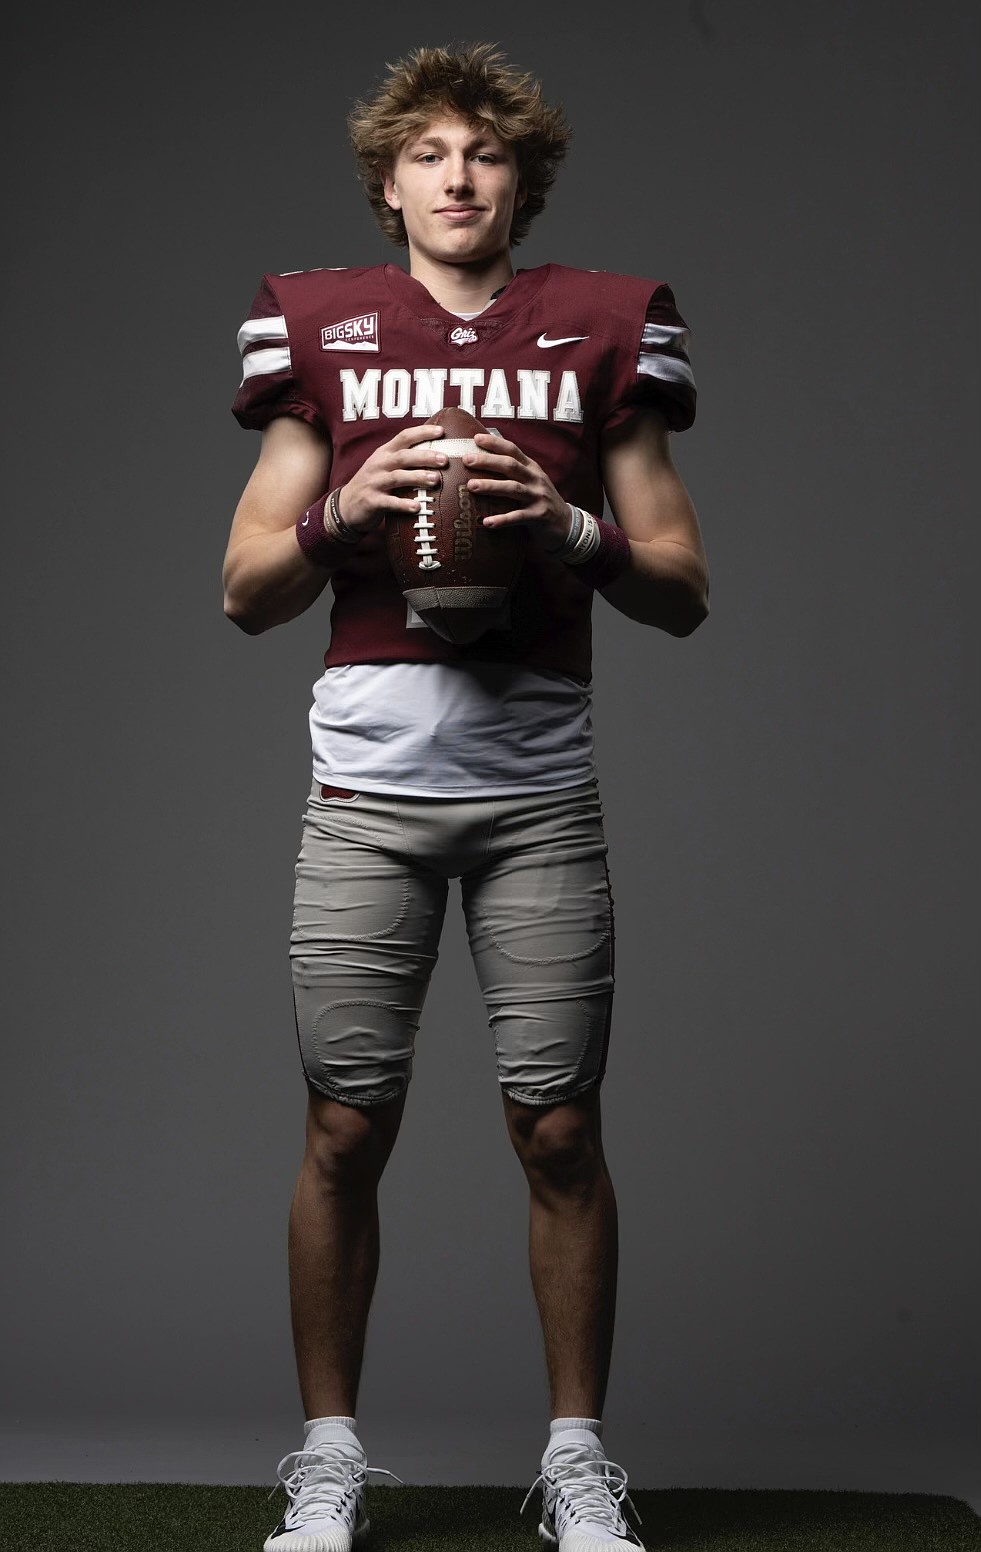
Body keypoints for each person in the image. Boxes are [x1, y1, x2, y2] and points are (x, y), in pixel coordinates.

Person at [223, 41, 709, 1552]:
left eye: (483, 155)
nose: (456, 176)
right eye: (427, 155)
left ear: (521, 180)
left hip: (536, 790)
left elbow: (684, 589)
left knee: (558, 1128)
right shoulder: (322, 326)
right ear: (386, 184)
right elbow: (243, 589)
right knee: (343, 1131)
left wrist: (569, 529)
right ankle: (327, 1456)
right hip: (365, 787)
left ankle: (573, 1458)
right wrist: (337, 513)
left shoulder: (599, 326)